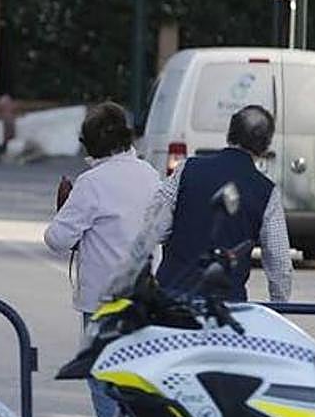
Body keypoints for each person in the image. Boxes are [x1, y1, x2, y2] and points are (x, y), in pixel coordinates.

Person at [43, 102, 161, 417]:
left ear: (90, 144)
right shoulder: (151, 176)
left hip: (103, 300)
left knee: (103, 376)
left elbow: (57, 239)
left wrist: (64, 208)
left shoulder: (92, 183)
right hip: (145, 295)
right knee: (137, 378)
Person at [110, 105, 292, 304]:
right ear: (266, 145)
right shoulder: (266, 192)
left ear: (230, 133)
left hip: (171, 299)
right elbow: (279, 263)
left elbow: (153, 227)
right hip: (227, 308)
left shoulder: (187, 169)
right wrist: (279, 306)